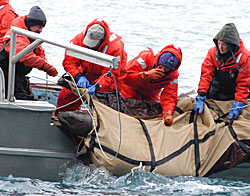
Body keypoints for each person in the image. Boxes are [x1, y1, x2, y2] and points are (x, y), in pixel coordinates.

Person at [55, 18, 127, 116]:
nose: (89, 46)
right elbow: (69, 61)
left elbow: (112, 73)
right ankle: (64, 120)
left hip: (109, 80)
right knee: (65, 98)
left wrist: (97, 85)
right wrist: (78, 76)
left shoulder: (115, 47)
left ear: (102, 41)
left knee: (106, 110)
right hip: (85, 73)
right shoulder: (78, 40)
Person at [194, 23, 250, 120]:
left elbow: (244, 83)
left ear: (231, 45)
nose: (220, 47)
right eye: (219, 43)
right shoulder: (212, 53)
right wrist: (201, 94)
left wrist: (239, 102)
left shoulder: (245, 58)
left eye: (224, 45)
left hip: (233, 92)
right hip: (217, 91)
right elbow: (205, 76)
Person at [0, 6, 58, 100]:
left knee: (29, 97)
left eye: (42, 27)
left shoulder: (30, 35)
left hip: (18, 77)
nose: (41, 31)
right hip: (7, 77)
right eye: (39, 27)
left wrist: (45, 62)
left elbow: (39, 51)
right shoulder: (18, 36)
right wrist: (46, 67)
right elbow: (26, 57)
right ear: (31, 24)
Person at [121, 44, 182, 126]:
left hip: (150, 93)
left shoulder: (173, 75)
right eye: (161, 67)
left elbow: (170, 96)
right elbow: (126, 77)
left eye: (166, 69)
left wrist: (167, 113)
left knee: (151, 113)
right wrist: (146, 75)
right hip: (129, 89)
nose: (162, 70)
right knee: (126, 112)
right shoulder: (145, 58)